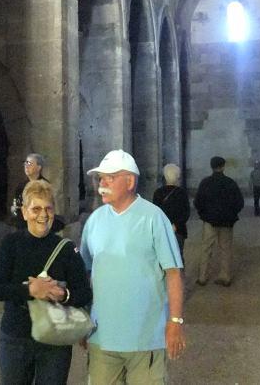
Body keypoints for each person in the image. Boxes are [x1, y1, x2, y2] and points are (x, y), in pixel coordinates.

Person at [80, 149, 185, 383]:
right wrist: (81, 319)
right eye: (100, 178)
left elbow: (173, 274)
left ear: (129, 182)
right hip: (102, 336)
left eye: (110, 177)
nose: (102, 183)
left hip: (145, 338)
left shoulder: (154, 218)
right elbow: (84, 274)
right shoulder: (94, 221)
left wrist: (175, 321)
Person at [0, 179, 92, 384]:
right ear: (24, 212)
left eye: (48, 208)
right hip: (16, 336)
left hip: (55, 338)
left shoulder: (66, 249)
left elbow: (84, 292)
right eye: (36, 209)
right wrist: (30, 290)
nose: (43, 215)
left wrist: (64, 295)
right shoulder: (10, 244)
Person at [193, 156, 244, 287]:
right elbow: (239, 202)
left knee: (206, 249)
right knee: (225, 249)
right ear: (223, 166)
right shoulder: (230, 183)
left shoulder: (205, 183)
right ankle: (225, 276)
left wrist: (204, 215)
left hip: (209, 221)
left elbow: (198, 202)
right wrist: (232, 214)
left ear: (211, 166)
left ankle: (202, 277)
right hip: (227, 222)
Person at [9, 153, 64, 231]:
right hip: (23, 223)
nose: (26, 166)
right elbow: (16, 204)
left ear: (38, 167)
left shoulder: (45, 186)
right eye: (25, 163)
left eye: (29, 163)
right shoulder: (21, 186)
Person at [152, 163, 191, 265]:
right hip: (179, 230)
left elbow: (155, 213)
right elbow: (186, 213)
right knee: (178, 257)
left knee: (162, 257)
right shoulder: (182, 193)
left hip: (162, 230)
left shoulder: (158, 193)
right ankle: (179, 275)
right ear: (177, 177)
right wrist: (176, 225)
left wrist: (165, 225)